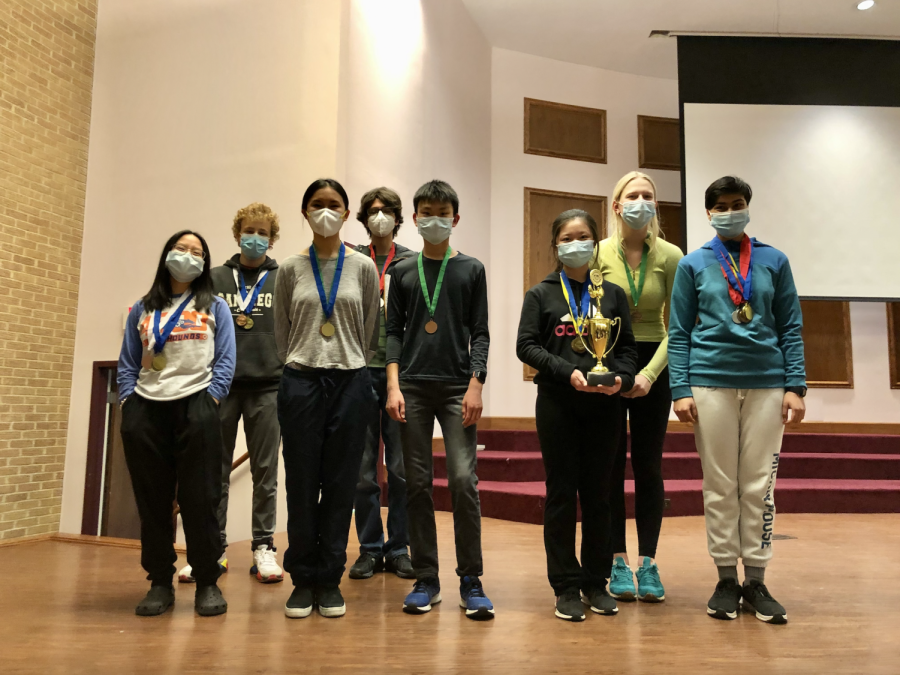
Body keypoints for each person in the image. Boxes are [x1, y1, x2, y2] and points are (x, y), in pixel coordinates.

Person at [668, 176, 806, 625]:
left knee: (759, 485)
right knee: (721, 484)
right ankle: (726, 578)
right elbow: (679, 332)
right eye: (722, 205)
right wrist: (680, 388)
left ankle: (757, 580)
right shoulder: (693, 264)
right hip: (710, 385)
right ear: (709, 213)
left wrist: (795, 386)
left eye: (738, 203)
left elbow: (789, 326)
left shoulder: (774, 260)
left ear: (748, 207)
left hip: (767, 383)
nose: (731, 210)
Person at [517, 209, 637, 622]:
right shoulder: (541, 294)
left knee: (600, 496)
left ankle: (595, 583)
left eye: (584, 235)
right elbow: (526, 346)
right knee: (562, 494)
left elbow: (627, 350)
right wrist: (565, 371)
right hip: (558, 405)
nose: (576, 243)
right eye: (568, 237)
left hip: (605, 407)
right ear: (556, 245)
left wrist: (621, 379)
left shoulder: (614, 294)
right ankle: (566, 586)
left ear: (595, 241)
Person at [385, 179, 493, 620]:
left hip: (455, 389)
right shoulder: (403, 271)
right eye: (426, 212)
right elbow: (391, 332)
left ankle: (471, 578)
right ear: (414, 219)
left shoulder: (471, 269)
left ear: (455, 218)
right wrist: (392, 384)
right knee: (415, 483)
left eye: (442, 212)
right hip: (410, 386)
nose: (434, 219)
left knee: (465, 482)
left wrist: (476, 383)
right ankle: (426, 578)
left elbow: (481, 331)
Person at [274, 178, 380, 619]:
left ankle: (330, 579)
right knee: (301, 483)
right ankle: (302, 580)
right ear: (304, 212)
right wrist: (304, 361)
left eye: (334, 204)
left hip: (351, 383)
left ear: (347, 213)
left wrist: (347, 360)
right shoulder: (289, 269)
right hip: (301, 381)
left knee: (341, 484)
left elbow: (371, 327)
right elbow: (282, 331)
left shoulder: (363, 268)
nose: (325, 211)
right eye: (317, 204)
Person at [117, 230, 236, 617]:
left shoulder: (214, 306)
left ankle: (206, 581)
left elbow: (226, 360)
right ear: (167, 253)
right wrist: (129, 403)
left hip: (197, 407)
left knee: (200, 500)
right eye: (181, 249)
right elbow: (128, 362)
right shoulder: (142, 308)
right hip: (147, 411)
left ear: (205, 263)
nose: (188, 256)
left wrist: (212, 397)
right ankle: (159, 582)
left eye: (197, 252)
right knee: (153, 503)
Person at [176, 203, 284, 585]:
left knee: (266, 472)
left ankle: (264, 548)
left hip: (269, 387)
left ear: (272, 238)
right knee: (213, 472)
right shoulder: (216, 277)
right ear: (238, 233)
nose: (255, 237)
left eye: (263, 232)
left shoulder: (282, 276)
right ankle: (212, 550)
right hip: (219, 388)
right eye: (249, 230)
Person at [591, 171, 683, 603]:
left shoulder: (670, 255)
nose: (641, 202)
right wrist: (608, 371)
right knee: (609, 466)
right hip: (608, 362)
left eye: (648, 196)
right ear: (616, 205)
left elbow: (679, 326)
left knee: (648, 467)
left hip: (653, 366)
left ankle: (648, 563)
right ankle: (615, 560)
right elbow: (587, 317)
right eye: (633, 195)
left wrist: (649, 375)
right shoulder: (597, 252)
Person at [348, 188, 416, 581]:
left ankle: (400, 547)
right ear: (363, 218)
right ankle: (370, 549)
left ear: (397, 217)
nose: (379, 217)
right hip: (358, 372)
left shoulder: (410, 262)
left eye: (386, 211)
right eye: (373, 211)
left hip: (400, 375)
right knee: (362, 471)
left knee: (402, 469)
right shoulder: (352, 260)